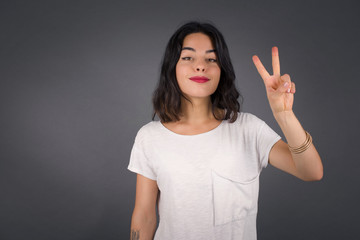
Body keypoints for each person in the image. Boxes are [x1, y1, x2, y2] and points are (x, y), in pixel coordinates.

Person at [127, 21, 323, 240]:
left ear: (222, 71)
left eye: (211, 59)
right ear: (172, 67)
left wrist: (284, 114)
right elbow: (144, 216)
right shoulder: (150, 137)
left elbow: (311, 171)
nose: (200, 66)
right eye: (188, 57)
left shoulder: (248, 129)